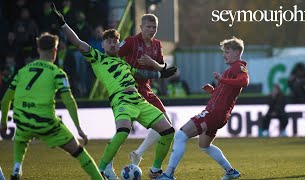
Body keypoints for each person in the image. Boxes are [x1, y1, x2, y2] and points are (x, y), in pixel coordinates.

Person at [50, 3, 176, 180]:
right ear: (102, 45)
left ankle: (156, 171)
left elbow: (141, 73)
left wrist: (160, 73)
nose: (113, 44)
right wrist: (63, 25)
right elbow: (78, 42)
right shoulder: (98, 58)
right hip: (121, 100)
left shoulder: (124, 64)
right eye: (109, 41)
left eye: (115, 42)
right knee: (123, 131)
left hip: (138, 99)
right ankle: (100, 171)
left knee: (168, 131)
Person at [0, 32, 104, 180]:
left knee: (21, 137)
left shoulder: (22, 72)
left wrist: (3, 123)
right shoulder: (57, 73)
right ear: (55, 50)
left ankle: (17, 168)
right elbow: (69, 100)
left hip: (22, 120)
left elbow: (5, 100)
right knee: (78, 151)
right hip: (47, 123)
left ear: (38, 49)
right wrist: (79, 128)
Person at [156, 37, 249, 180]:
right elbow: (226, 94)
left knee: (180, 135)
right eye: (224, 52)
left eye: (227, 52)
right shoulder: (231, 69)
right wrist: (213, 91)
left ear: (237, 53)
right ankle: (230, 171)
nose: (224, 55)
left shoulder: (238, 67)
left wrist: (221, 80)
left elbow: (244, 81)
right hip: (218, 115)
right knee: (204, 145)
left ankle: (168, 174)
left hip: (213, 113)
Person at [118, 14, 172, 178]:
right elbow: (114, 57)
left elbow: (162, 68)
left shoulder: (157, 44)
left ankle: (138, 155)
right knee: (122, 130)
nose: (152, 30)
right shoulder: (130, 42)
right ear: (141, 27)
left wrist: (152, 63)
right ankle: (105, 167)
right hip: (128, 89)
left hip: (146, 88)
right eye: (148, 27)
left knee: (167, 126)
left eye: (154, 27)